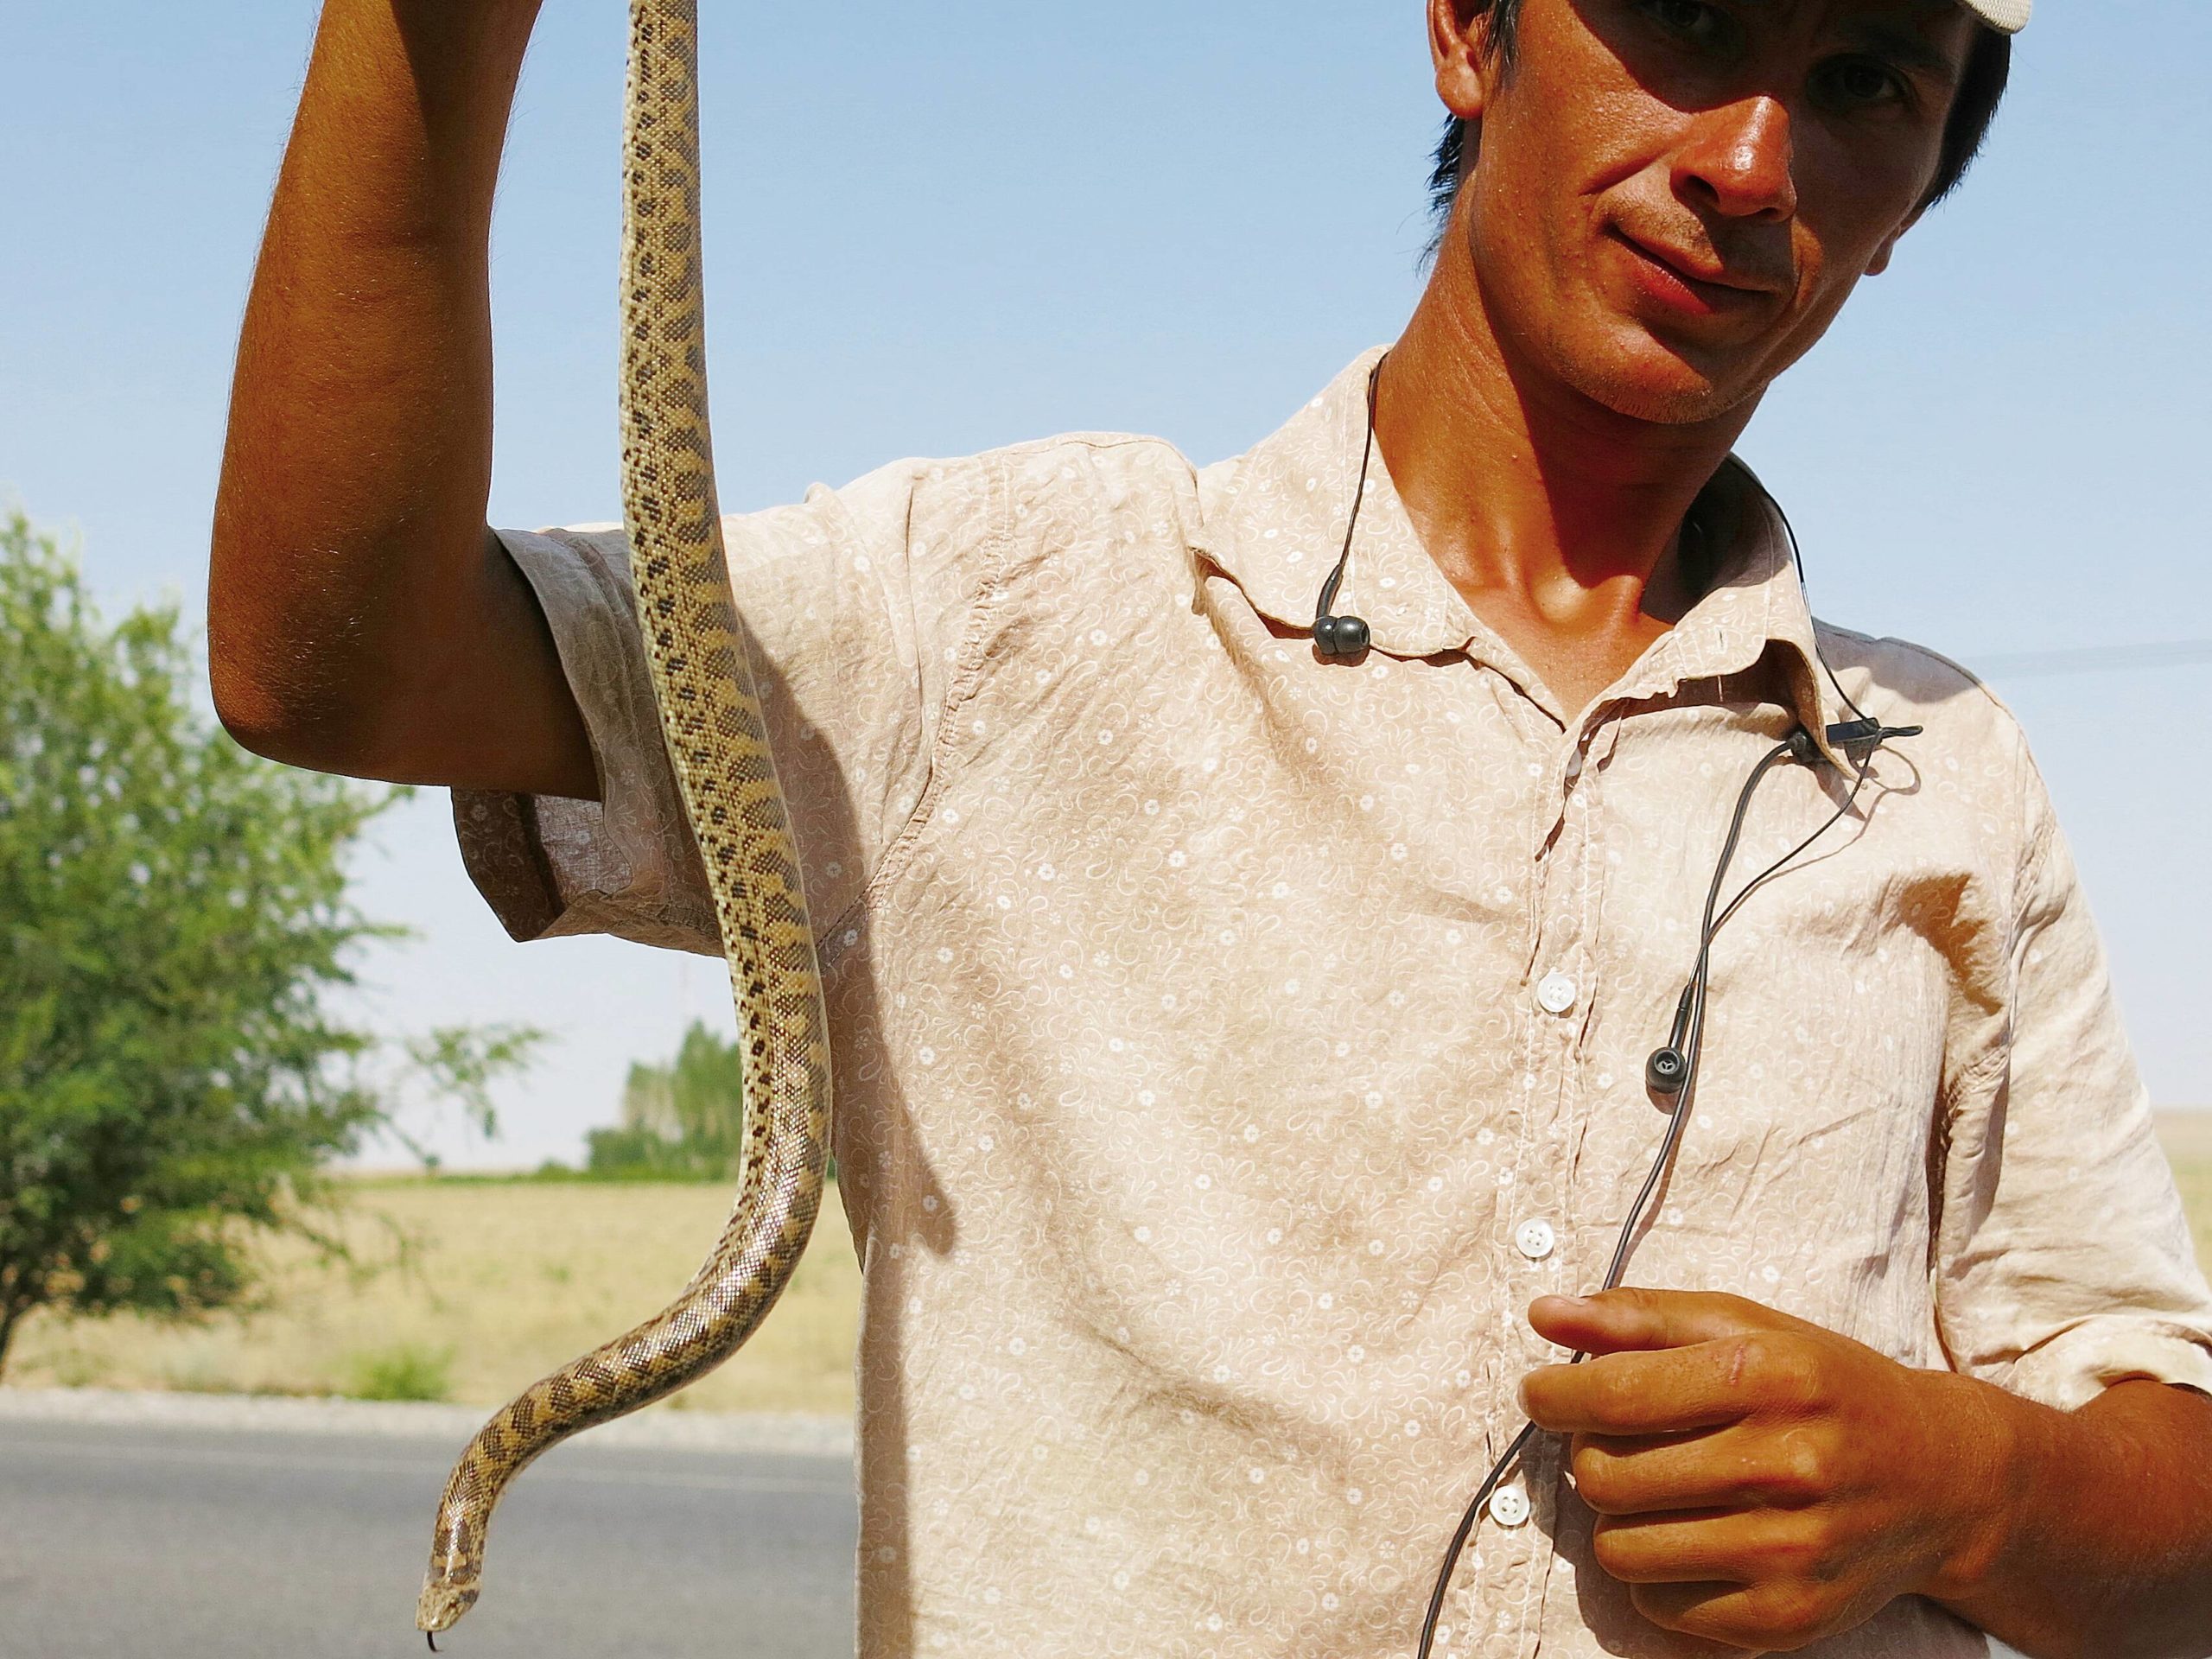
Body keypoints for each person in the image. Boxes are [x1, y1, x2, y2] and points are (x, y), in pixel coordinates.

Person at [209, 2, 2212, 1655]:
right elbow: (338, 660)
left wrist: (1973, 1484)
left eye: (1867, 85)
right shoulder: (1009, 605)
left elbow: (2173, 1520)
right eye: (1685, 21)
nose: (1751, 164)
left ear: (1908, 207)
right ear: (1464, 31)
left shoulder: (1935, 769)